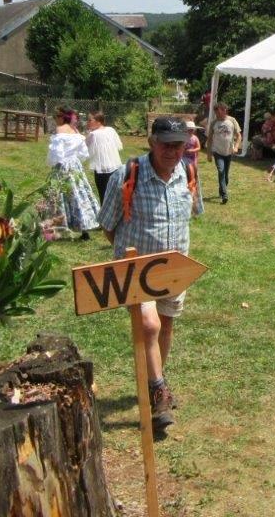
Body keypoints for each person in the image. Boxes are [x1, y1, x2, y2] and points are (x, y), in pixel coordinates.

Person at [98, 117, 200, 433]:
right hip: (137, 269)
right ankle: (158, 389)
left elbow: (191, 215)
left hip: (174, 268)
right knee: (149, 324)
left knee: (165, 324)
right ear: (152, 142)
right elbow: (108, 224)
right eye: (166, 144)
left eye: (178, 145)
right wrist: (127, 255)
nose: (172, 151)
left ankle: (156, 385)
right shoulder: (128, 174)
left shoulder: (189, 173)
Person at [46, 107, 100, 240]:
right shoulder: (75, 131)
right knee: (78, 193)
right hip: (75, 166)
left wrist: (55, 164)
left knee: (59, 194)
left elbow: (57, 154)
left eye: (56, 117)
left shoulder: (60, 129)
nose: (55, 120)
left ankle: (56, 227)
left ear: (62, 117)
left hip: (63, 166)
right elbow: (83, 152)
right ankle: (84, 229)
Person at [206, 103, 242, 204]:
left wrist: (236, 147)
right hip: (217, 151)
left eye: (218, 112)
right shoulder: (214, 123)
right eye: (216, 113)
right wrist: (209, 154)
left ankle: (221, 189)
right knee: (221, 170)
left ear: (225, 110)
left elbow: (239, 136)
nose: (217, 114)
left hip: (228, 152)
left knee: (225, 175)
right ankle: (224, 195)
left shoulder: (232, 120)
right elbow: (209, 139)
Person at [85, 111, 124, 200]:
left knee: (104, 195)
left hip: (102, 170)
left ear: (98, 121)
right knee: (116, 195)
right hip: (116, 166)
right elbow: (118, 146)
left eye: (90, 120)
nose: (88, 122)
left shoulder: (93, 134)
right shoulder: (111, 130)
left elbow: (85, 149)